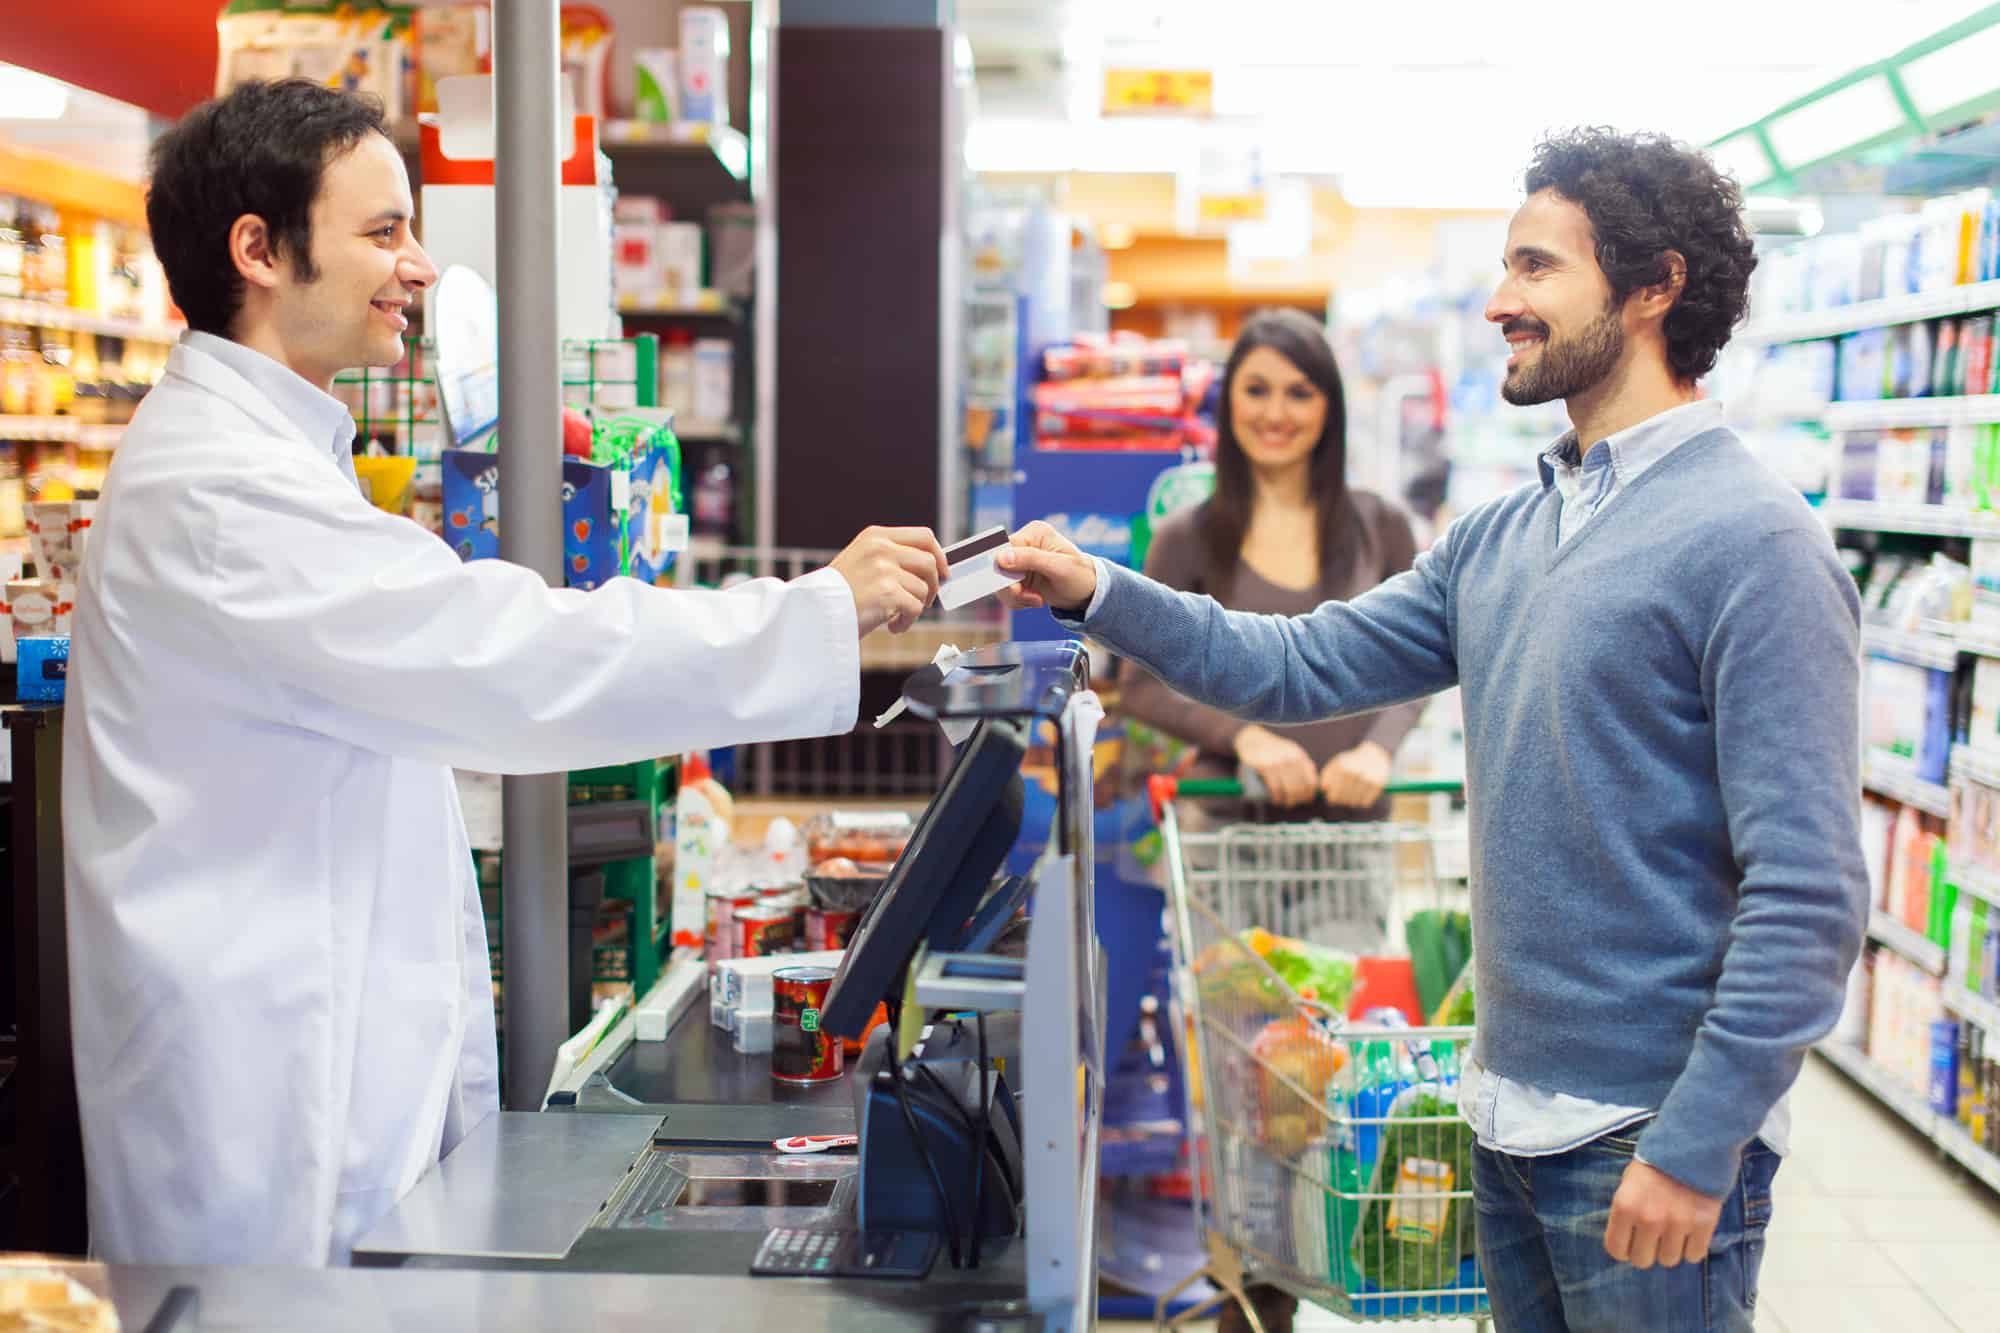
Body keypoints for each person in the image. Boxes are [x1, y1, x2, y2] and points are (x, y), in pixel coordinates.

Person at [64, 79, 949, 1267]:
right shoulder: (223, 494)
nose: (418, 268)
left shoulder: (269, 457)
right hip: (268, 1105)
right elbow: (509, 657)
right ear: (258, 250)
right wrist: (809, 614)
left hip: (318, 1055)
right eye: (383, 232)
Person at [999, 127, 1866, 1332]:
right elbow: (1298, 659)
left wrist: (1698, 1140)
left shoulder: (1755, 543)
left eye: (1534, 268)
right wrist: (1101, 588)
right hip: (1501, 1117)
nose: (1498, 301)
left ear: (1655, 286)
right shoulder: (1505, 534)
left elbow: (1810, 891)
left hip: (1642, 1142)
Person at [1122, 309, 1425, 825]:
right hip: (1226, 832)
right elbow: (1142, 687)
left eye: (1299, 393)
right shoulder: (1184, 538)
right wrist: (1245, 737)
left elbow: (1419, 659)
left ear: (1330, 406)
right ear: (1229, 401)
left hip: (1351, 832)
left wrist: (1378, 749)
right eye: (1257, 390)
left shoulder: (1382, 525)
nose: (1275, 413)